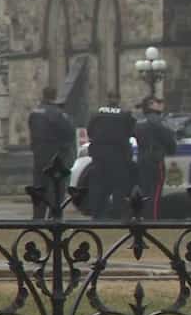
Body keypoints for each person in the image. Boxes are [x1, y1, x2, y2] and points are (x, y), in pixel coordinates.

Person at [86, 90, 137, 220]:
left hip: (99, 155)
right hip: (118, 155)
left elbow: (90, 131)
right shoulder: (125, 115)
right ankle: (116, 214)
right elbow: (131, 132)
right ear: (118, 99)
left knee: (98, 185)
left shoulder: (97, 114)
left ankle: (97, 214)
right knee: (118, 186)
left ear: (108, 99)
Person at [27, 86, 75, 219]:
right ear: (54, 96)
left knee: (39, 185)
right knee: (56, 186)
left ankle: (38, 216)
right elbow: (69, 132)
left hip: (39, 153)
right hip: (55, 154)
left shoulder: (34, 112)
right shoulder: (58, 113)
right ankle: (54, 215)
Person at [134, 95, 177, 220]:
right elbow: (169, 140)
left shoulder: (139, 121)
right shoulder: (158, 121)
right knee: (155, 191)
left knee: (144, 190)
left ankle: (141, 216)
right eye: (157, 102)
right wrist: (171, 150)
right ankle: (152, 218)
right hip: (155, 159)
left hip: (142, 158)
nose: (160, 104)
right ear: (151, 105)